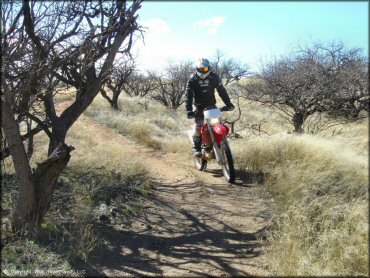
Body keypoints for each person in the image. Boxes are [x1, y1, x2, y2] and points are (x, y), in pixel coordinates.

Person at [185, 58, 235, 157]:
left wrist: (228, 103)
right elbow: (188, 96)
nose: (203, 70)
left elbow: (221, 91)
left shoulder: (213, 77)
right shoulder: (192, 79)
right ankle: (196, 148)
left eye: (206, 68)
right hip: (198, 107)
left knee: (218, 124)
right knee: (198, 127)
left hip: (211, 106)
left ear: (209, 68)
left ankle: (220, 144)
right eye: (201, 69)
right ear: (197, 68)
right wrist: (189, 110)